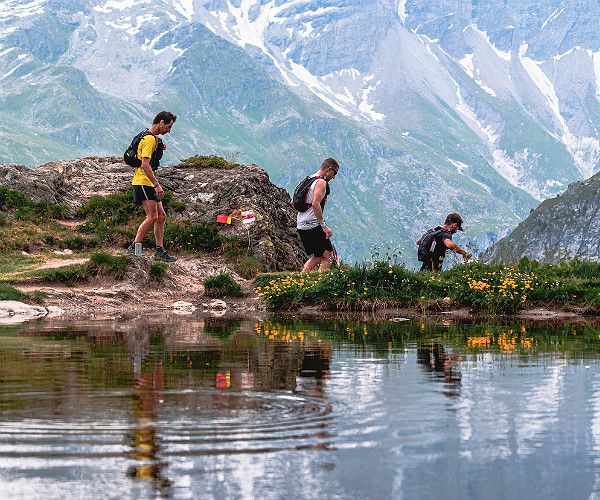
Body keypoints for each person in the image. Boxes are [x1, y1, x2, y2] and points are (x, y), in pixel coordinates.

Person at [126, 111, 177, 262]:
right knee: (152, 217)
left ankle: (160, 251)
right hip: (143, 182)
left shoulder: (151, 137)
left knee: (161, 216)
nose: (169, 130)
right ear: (161, 122)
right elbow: (145, 165)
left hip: (147, 182)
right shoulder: (149, 139)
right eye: (169, 126)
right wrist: (157, 185)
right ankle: (134, 247)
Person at [296, 158, 340, 272]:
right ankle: (320, 283)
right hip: (313, 225)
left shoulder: (308, 180)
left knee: (319, 255)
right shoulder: (321, 182)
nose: (334, 177)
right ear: (329, 169)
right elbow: (316, 204)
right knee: (330, 257)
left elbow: (293, 202)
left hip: (301, 224)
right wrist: (323, 226)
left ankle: (302, 279)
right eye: (334, 173)